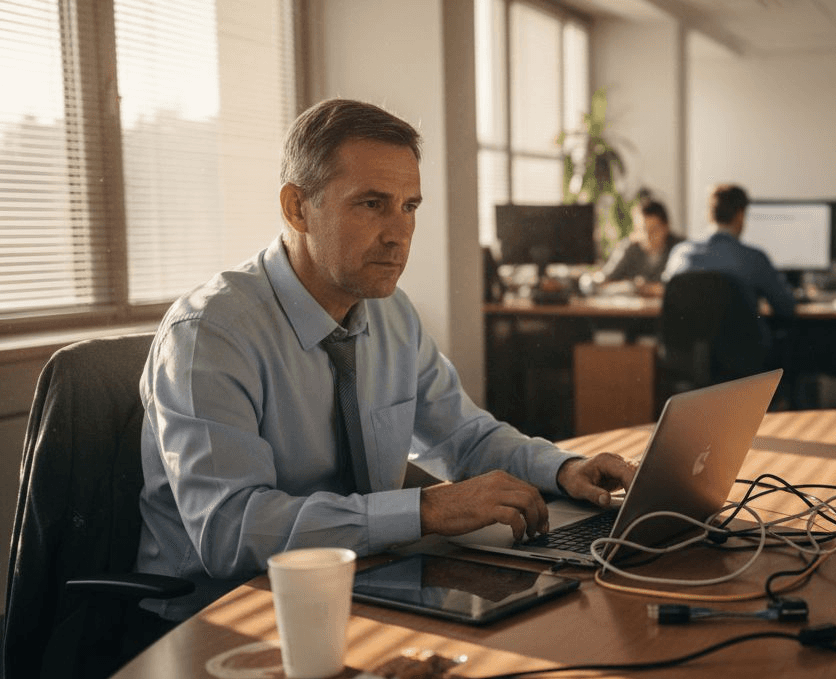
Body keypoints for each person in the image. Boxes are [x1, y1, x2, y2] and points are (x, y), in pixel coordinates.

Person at [137, 99, 635, 619]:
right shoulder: (210, 335)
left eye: (409, 206)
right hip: (224, 617)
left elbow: (464, 437)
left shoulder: (391, 313)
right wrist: (426, 510)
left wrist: (563, 469)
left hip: (369, 586)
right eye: (372, 203)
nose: (399, 234)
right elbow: (230, 531)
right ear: (296, 207)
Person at [662, 183, 796, 318]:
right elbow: (785, 306)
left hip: (688, 338)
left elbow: (668, 301)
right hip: (743, 338)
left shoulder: (680, 254)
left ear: (709, 215)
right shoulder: (754, 259)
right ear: (740, 215)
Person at [599, 199, 683, 287]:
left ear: (666, 227)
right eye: (642, 230)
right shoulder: (630, 247)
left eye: (654, 230)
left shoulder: (681, 249)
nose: (647, 236)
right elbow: (606, 278)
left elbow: (683, 286)